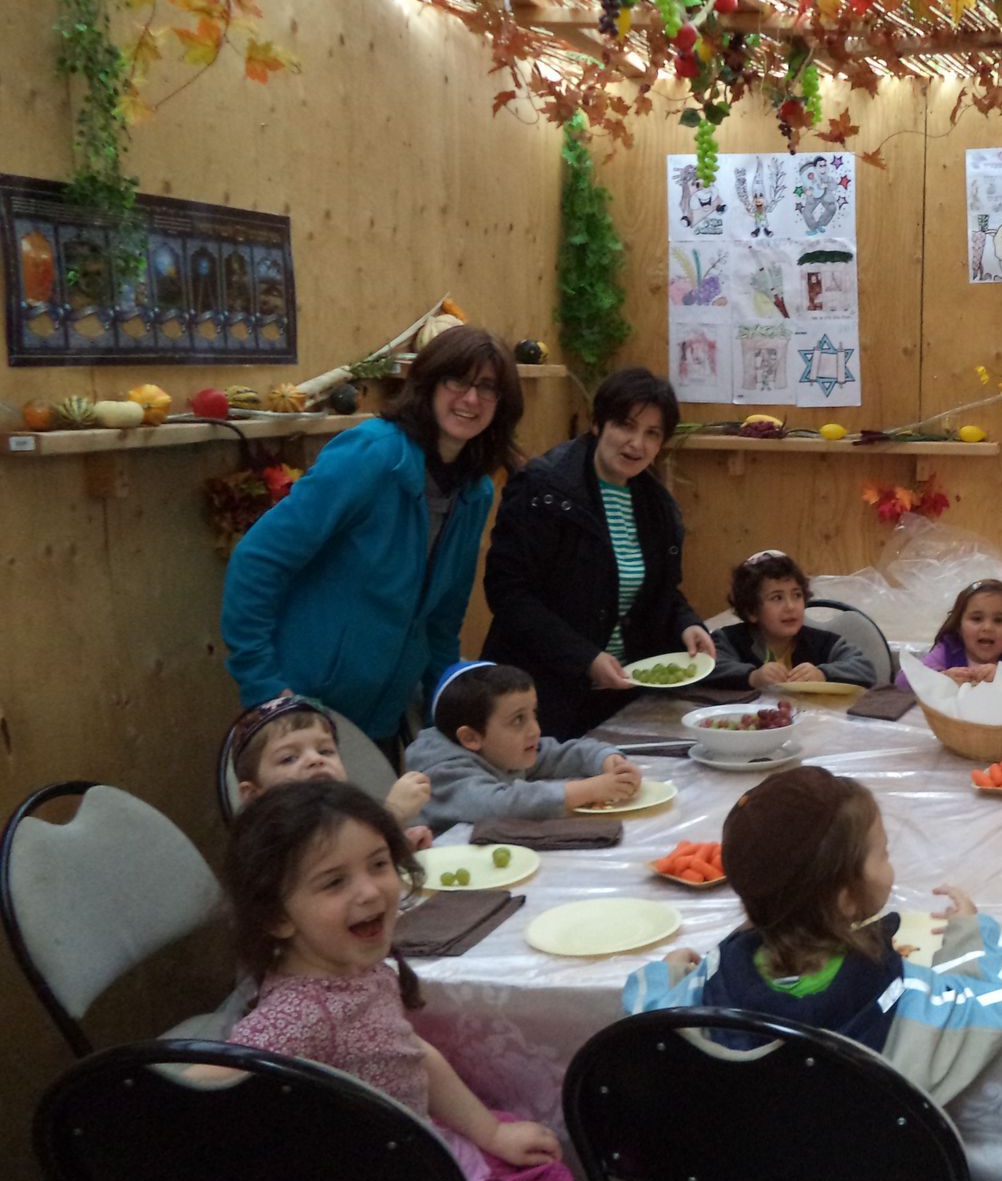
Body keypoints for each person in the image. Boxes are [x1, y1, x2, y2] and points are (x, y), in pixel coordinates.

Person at [624, 766, 1002, 1181]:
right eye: (883, 851)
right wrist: (971, 934)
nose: (891, 862)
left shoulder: (707, 990)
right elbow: (996, 1003)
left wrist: (673, 970)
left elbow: (640, 1004)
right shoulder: (902, 998)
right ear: (844, 897)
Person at [218, 780, 574, 1181]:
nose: (369, 891)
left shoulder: (349, 969)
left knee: (510, 1135)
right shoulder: (301, 1012)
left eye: (379, 864)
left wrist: (491, 1137)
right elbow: (207, 1084)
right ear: (274, 915)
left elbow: (412, 1055)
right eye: (334, 881)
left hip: (380, 1177)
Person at [222, 327, 525, 752]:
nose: (471, 398)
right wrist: (265, 690)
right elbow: (257, 560)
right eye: (457, 380)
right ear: (428, 383)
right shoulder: (373, 455)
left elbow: (443, 621)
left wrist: (446, 716)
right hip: (302, 715)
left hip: (383, 721)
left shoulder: (476, 494)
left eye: (488, 387)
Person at [482, 368, 714, 740]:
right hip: (539, 699)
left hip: (621, 697)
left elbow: (660, 592)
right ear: (598, 423)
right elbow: (508, 594)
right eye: (626, 425)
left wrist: (688, 624)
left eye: (652, 434)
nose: (636, 444)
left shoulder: (657, 506)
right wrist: (584, 658)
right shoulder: (543, 488)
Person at [403, 663, 643, 834]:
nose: (535, 730)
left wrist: (607, 760)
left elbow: (558, 754)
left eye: (533, 714)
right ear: (471, 737)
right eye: (518, 719)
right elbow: (501, 805)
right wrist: (588, 790)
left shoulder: (502, 748)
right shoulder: (442, 772)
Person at [230, 694, 434, 851]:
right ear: (253, 794)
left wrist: (398, 847)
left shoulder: (347, 811)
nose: (315, 759)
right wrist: (393, 815)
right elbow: (327, 859)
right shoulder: (266, 837)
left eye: (325, 751)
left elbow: (355, 862)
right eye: (289, 758)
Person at [709, 550, 877, 690]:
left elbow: (865, 668)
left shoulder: (823, 643)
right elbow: (708, 668)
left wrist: (823, 674)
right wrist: (753, 677)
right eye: (777, 598)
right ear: (752, 610)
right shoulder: (728, 640)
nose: (790, 606)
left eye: (797, 595)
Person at [897, 578, 1002, 688]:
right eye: (976, 619)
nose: (987, 627)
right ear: (959, 626)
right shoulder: (949, 650)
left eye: (999, 620)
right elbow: (902, 680)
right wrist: (941, 679)